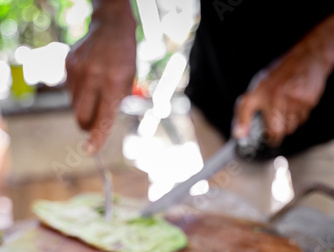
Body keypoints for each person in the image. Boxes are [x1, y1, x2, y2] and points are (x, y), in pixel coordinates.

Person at [65, 0, 334, 214]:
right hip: (218, 92)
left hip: (326, 111)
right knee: (233, 238)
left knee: (319, 232)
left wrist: (317, 53)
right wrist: (110, 12)